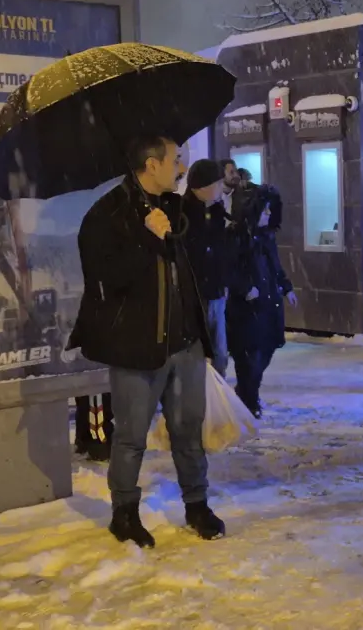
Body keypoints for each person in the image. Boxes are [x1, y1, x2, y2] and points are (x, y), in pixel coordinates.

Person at [68, 135, 224, 548]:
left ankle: (197, 504)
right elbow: (107, 279)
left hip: (184, 342)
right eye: (176, 160)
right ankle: (124, 513)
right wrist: (148, 237)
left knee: (188, 429)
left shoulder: (174, 206)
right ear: (152, 164)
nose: (182, 168)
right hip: (136, 348)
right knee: (131, 435)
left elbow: (192, 261)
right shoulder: (107, 215)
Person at [226, 184, 296, 419]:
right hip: (247, 308)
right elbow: (228, 269)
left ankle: (247, 394)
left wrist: (286, 287)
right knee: (249, 358)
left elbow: (275, 266)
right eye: (264, 210)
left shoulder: (267, 238)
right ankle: (248, 399)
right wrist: (245, 288)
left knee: (264, 352)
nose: (268, 215)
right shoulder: (236, 237)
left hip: (268, 303)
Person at [180, 159, 233, 378]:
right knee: (197, 352)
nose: (222, 188)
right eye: (218, 183)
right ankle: (198, 397)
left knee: (220, 353)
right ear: (203, 186)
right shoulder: (183, 214)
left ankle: (216, 395)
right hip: (195, 295)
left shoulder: (218, 213)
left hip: (216, 292)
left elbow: (222, 251)